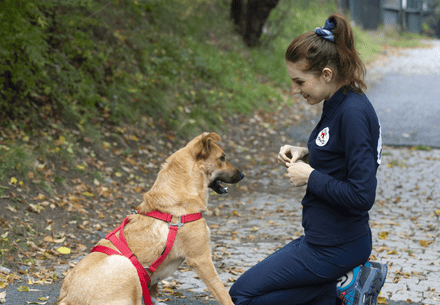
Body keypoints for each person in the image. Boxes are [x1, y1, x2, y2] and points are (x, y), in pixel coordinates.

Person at [229, 13, 387, 305]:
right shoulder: (338, 102)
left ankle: (339, 292)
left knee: (241, 297)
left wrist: (309, 176)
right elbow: (342, 156)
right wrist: (308, 153)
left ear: (326, 74)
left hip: (336, 246)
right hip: (322, 240)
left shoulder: (352, 112)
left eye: (300, 81)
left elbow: (362, 194)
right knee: (252, 293)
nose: (295, 90)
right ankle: (339, 291)